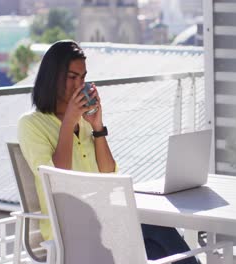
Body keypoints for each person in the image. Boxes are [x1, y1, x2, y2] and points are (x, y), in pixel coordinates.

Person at [18, 40, 198, 264]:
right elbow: (57, 180)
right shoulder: (31, 124)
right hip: (68, 228)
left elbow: (108, 173)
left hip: (105, 217)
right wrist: (67, 124)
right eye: (72, 77)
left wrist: (97, 127)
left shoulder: (83, 122)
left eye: (82, 78)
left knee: (156, 247)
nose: (78, 85)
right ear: (53, 77)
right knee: (156, 233)